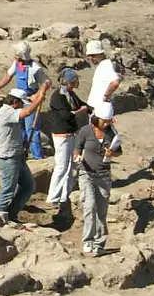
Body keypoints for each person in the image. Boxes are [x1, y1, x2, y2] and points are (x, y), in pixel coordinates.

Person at [0, 85, 49, 224]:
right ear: (15, 102)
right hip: (8, 157)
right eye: (21, 103)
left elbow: (31, 101)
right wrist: (38, 101)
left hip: (17, 155)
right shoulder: (6, 112)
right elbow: (27, 112)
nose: (22, 106)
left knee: (28, 185)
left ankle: (12, 213)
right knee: (8, 189)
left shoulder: (11, 109)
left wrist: (42, 90)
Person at [0, 42, 51, 160]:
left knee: (32, 129)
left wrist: (38, 95)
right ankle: (21, 153)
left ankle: (38, 157)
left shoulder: (35, 68)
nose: (14, 57)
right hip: (17, 100)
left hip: (30, 101)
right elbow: (7, 77)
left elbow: (46, 82)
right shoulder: (17, 64)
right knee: (19, 128)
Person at [73, 102, 122, 256]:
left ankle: (99, 243)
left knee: (101, 210)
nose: (106, 124)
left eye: (108, 121)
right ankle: (88, 241)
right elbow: (77, 149)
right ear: (96, 119)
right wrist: (77, 157)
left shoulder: (112, 133)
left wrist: (112, 154)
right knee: (89, 206)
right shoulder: (85, 131)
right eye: (104, 121)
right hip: (86, 173)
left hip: (103, 175)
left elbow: (119, 151)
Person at [46, 68, 90, 211]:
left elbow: (80, 103)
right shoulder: (57, 97)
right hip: (61, 135)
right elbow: (66, 115)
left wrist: (91, 109)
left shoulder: (70, 94)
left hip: (71, 133)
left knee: (71, 166)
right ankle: (53, 197)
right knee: (61, 166)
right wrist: (80, 111)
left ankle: (65, 196)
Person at [85, 40, 121, 111]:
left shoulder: (106, 65)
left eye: (93, 55)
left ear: (101, 54)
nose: (91, 58)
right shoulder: (102, 65)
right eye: (89, 56)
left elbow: (115, 83)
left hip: (100, 108)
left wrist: (106, 96)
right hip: (95, 107)